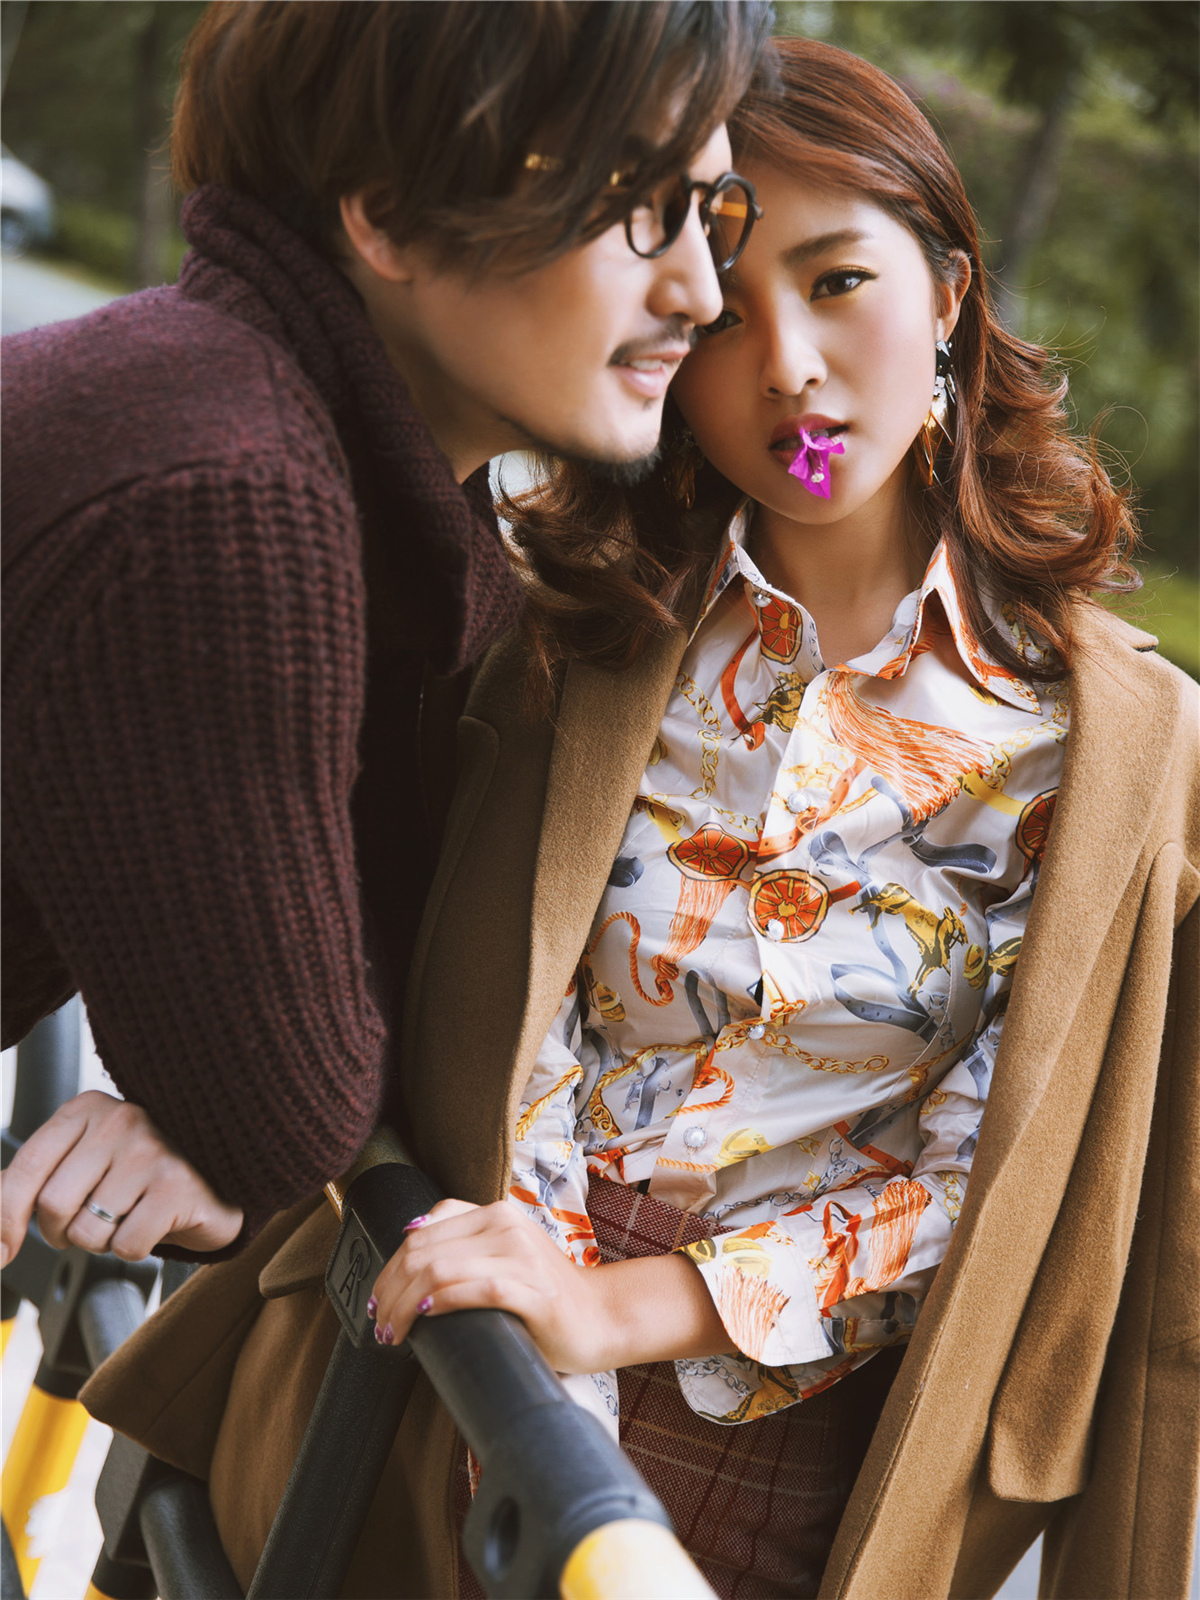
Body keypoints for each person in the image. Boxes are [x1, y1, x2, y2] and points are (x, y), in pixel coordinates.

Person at [79, 32, 1199, 1600]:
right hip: (423, 1365)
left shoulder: (1112, 747)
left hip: (766, 1467)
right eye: (727, 312)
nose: (788, 366)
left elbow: (1010, 1184)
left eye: (839, 282)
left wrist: (619, 1311)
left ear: (948, 294)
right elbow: (350, 918)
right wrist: (188, 1101)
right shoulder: (560, 628)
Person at [0, 0, 770, 1266]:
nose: (700, 288)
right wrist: (245, 1139)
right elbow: (284, 1108)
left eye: (709, 212)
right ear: (391, 211)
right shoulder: (220, 493)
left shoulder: (250, 422)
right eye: (633, 205)